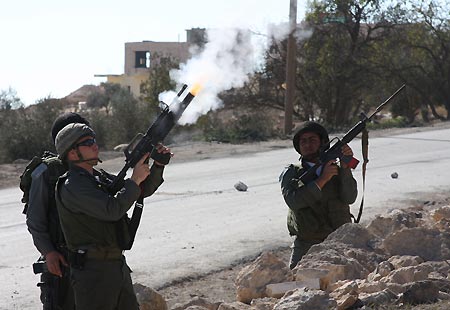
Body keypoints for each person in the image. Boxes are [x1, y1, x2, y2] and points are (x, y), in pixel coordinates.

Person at [54, 123, 170, 310]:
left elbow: (139, 191)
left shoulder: (97, 178)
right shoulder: (72, 186)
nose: (95, 145)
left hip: (115, 266)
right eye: (88, 142)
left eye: (94, 140)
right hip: (93, 273)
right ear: (73, 153)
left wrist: (157, 165)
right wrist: (134, 180)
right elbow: (112, 209)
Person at [26, 112, 90, 309]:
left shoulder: (90, 170)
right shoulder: (46, 173)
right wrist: (49, 252)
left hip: (91, 264)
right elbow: (35, 220)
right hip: (61, 263)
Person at [280, 122, 358, 269]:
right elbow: (293, 201)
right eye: (303, 141)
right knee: (296, 283)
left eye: (312, 140)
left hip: (340, 241)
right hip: (307, 243)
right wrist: (322, 179)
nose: (307, 144)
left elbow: (350, 198)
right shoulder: (292, 173)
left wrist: (346, 168)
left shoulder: (338, 170)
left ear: (323, 143)